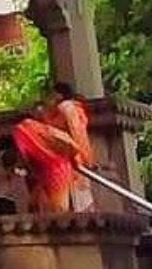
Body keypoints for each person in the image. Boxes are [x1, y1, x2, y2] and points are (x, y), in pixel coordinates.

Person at [12, 106, 81, 213]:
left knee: (56, 210)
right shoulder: (42, 129)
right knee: (50, 207)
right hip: (55, 168)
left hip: (51, 170)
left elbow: (26, 158)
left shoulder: (22, 130)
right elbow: (72, 146)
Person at [44, 82, 96, 212]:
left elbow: (75, 132)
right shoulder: (73, 108)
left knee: (76, 198)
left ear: (59, 94)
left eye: (53, 93)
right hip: (73, 155)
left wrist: (82, 155)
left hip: (71, 156)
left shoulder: (66, 107)